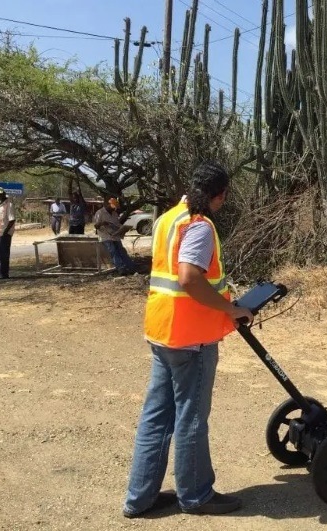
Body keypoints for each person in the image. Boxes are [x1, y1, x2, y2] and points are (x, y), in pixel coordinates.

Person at [123, 161, 253, 518]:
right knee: (191, 417)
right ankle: (196, 495)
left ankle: (140, 497)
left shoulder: (168, 218)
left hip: (163, 331)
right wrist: (231, 310)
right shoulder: (198, 225)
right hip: (190, 338)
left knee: (157, 416)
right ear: (220, 195)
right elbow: (189, 278)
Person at [93, 197, 136, 275]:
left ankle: (131, 267)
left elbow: (117, 224)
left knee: (122, 251)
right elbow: (96, 226)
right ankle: (121, 268)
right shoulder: (100, 213)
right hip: (105, 236)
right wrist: (102, 223)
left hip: (115, 235)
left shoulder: (114, 213)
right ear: (108, 205)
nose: (114, 209)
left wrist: (124, 228)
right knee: (113, 251)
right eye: (113, 207)